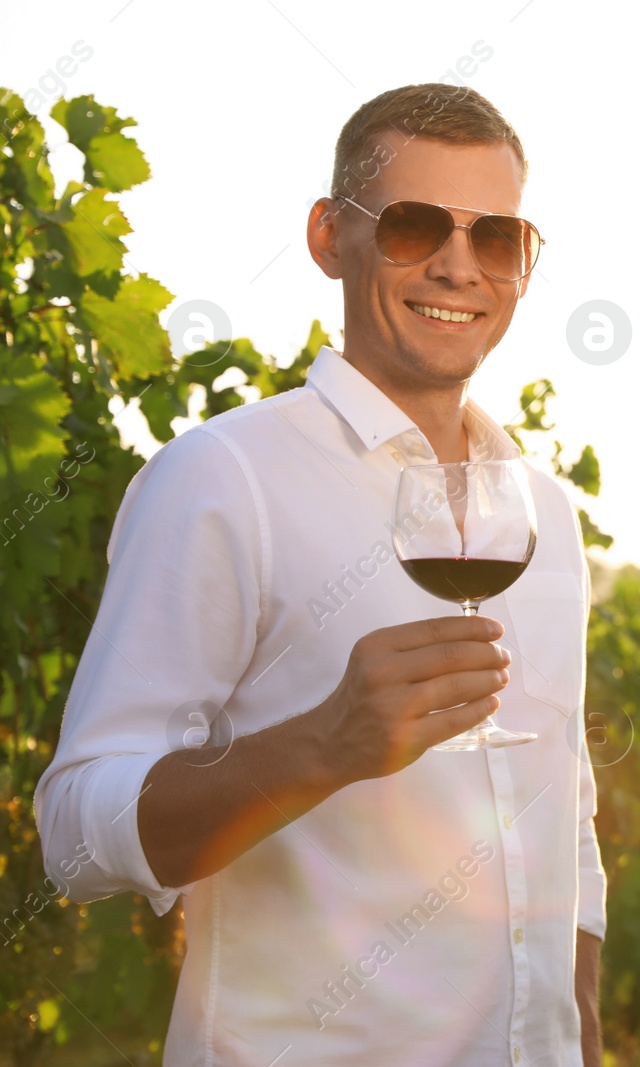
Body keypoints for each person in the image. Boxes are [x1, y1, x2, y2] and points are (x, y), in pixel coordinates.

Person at [34, 84, 606, 1066]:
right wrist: (320, 746)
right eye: (414, 226)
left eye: (498, 237)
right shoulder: (221, 479)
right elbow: (75, 840)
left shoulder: (542, 510)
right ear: (328, 236)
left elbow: (567, 798)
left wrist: (579, 1019)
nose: (458, 265)